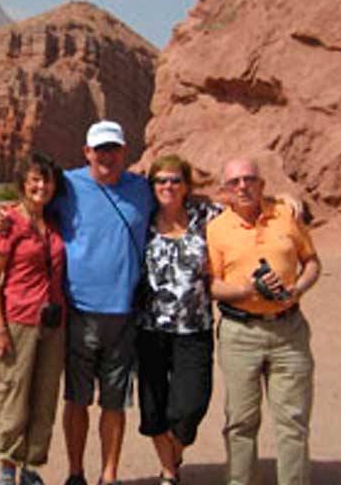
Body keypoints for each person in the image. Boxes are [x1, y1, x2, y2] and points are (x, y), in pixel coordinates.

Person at [0, 119, 152, 485]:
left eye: (113, 149)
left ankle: (108, 476)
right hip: (77, 313)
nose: (107, 156)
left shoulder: (142, 189)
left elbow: (185, 201)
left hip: (124, 315)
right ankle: (74, 474)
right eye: (100, 150)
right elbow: (31, 203)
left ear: (124, 151)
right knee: (74, 399)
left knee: (114, 402)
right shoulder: (69, 185)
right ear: (87, 153)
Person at [206, 157, 320, 485]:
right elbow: (210, 284)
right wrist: (245, 290)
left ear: (262, 184)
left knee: (293, 421)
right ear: (225, 190)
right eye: (234, 182)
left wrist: (298, 289)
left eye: (249, 179)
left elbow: (312, 261)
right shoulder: (216, 229)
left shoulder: (286, 215)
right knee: (240, 421)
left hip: (289, 331)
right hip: (240, 334)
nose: (242, 186)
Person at [135, 154, 221, 485]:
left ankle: (176, 449)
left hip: (194, 329)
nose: (168, 186)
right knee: (154, 407)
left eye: (175, 180)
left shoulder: (206, 216)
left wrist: (281, 201)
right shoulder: (142, 221)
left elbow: (247, 210)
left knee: (190, 407)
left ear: (186, 185)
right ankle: (169, 471)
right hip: (149, 329)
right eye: (161, 180)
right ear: (152, 185)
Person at [0, 152, 68, 485]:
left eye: (46, 180)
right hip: (19, 321)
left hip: (54, 324)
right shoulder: (8, 222)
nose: (41, 186)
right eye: (35, 179)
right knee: (16, 396)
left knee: (45, 399)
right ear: (23, 183)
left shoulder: (55, 220)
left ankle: (31, 467)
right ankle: (7, 465)